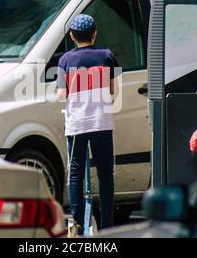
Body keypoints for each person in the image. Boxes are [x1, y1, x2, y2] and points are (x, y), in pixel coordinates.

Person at [56, 14, 120, 231]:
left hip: (77, 124)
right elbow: (113, 91)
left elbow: (61, 95)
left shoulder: (65, 60)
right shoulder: (108, 55)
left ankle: (77, 223)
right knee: (105, 173)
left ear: (72, 36)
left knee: (76, 172)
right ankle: (108, 225)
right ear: (95, 34)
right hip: (102, 121)